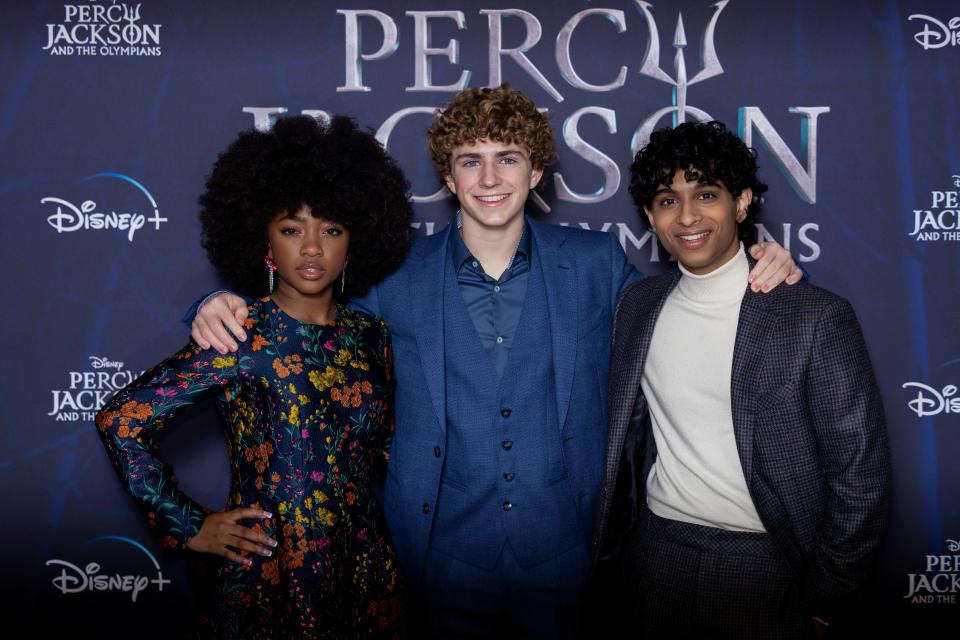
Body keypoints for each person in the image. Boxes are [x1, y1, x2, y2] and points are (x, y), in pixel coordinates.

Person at [191, 85, 802, 638]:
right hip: (437, 558)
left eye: (507, 158)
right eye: (470, 161)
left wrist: (753, 263)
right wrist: (218, 303)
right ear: (449, 178)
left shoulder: (595, 264)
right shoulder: (392, 278)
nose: (490, 178)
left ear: (535, 171)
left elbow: (678, 311)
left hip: (567, 561)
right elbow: (304, 311)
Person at [95, 115, 413, 639]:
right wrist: (189, 525)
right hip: (269, 573)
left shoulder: (372, 336)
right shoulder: (242, 335)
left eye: (330, 229)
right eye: (292, 229)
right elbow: (120, 421)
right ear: (265, 243)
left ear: (353, 242)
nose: (311, 248)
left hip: (366, 571)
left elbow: (392, 450)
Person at [592, 121, 890, 638]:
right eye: (667, 200)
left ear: (743, 201)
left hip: (765, 566)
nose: (687, 216)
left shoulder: (814, 317)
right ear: (649, 214)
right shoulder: (637, 306)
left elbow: (860, 476)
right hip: (654, 557)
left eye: (706, 194)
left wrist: (828, 596)